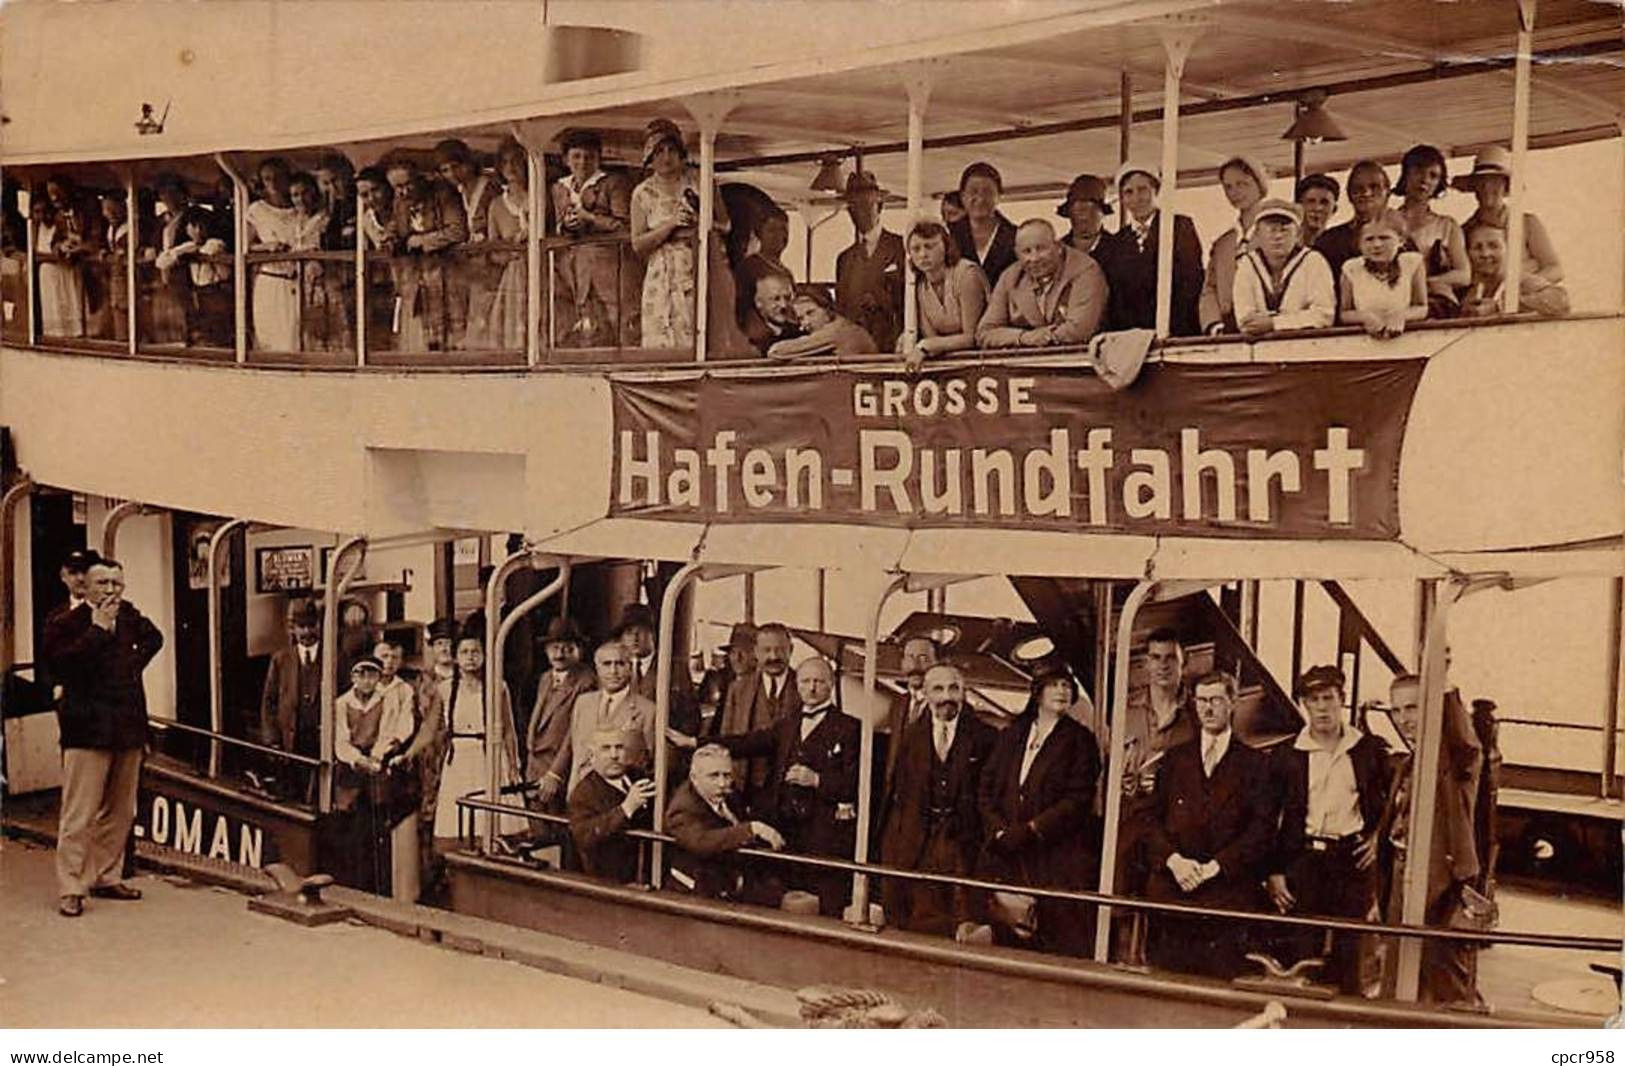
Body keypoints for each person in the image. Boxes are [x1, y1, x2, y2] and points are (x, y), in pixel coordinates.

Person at [44, 559, 163, 917]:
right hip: (87, 732)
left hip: (126, 728)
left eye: (116, 583)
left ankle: (106, 876)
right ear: (86, 587)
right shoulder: (65, 623)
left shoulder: (129, 615)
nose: (111, 590)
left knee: (121, 810)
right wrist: (98, 630)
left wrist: (132, 664)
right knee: (79, 814)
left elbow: (155, 638)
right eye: (103, 583)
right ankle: (71, 887)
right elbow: (60, 666)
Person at [1265, 665, 1391, 994]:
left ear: (1342, 700)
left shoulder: (1368, 750)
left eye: (1328, 698)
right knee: (1302, 949)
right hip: (1304, 860)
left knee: (1350, 951)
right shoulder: (1287, 755)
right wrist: (1274, 872)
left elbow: (1394, 804)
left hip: (1352, 860)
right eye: (1313, 700)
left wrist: (1378, 839)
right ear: (1304, 706)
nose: (1321, 707)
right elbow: (1268, 817)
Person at [1144, 671, 1276, 979]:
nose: (1207, 708)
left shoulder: (1256, 764)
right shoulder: (1175, 760)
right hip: (1173, 889)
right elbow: (1150, 821)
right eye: (1201, 700)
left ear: (1233, 703)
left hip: (1226, 892)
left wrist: (1214, 868)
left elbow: (1262, 831)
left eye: (1216, 700)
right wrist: (1174, 861)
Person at [706, 656, 859, 915]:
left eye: (819, 682)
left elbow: (858, 784)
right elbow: (748, 743)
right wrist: (697, 743)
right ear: (797, 685)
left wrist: (818, 780)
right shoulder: (787, 725)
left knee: (822, 902)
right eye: (806, 681)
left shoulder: (850, 728)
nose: (811, 688)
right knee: (783, 898)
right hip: (785, 828)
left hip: (823, 835)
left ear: (831, 685)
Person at [977, 666, 1101, 955]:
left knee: (1052, 936)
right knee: (1007, 931)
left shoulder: (1080, 740)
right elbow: (986, 786)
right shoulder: (1012, 734)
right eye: (1055, 685)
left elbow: (1078, 799)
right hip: (1009, 853)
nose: (1062, 691)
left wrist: (1033, 829)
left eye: (1067, 686)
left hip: (1055, 857)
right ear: (1038, 691)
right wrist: (999, 830)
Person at [1377, 671, 1483, 1006]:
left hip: (1441, 886)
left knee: (1447, 979)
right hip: (1401, 877)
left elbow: (1465, 743)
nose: (1404, 719)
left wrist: (1444, 681)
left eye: (1413, 708)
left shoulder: (1454, 763)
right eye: (1397, 711)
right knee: (1398, 973)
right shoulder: (1409, 763)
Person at [878, 662, 996, 936]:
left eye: (954, 688)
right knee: (922, 917)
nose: (947, 696)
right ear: (927, 694)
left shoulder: (986, 737)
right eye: (938, 689)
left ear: (964, 692)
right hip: (921, 841)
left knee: (964, 915)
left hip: (965, 842)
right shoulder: (911, 737)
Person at [332, 656, 420, 893]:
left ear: (378, 678)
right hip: (351, 775)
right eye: (361, 674)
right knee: (351, 831)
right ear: (353, 678)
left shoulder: (387, 702)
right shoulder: (341, 703)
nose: (366, 680)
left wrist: (377, 758)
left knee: (377, 831)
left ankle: (377, 889)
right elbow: (340, 741)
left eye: (371, 675)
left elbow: (389, 734)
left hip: (377, 771)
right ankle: (351, 887)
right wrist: (357, 759)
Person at [665, 743, 786, 901]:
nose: (722, 784)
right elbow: (701, 841)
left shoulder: (729, 795)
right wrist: (751, 829)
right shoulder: (683, 806)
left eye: (727, 775)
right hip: (693, 896)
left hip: (729, 885)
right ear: (694, 777)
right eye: (714, 776)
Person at [553, 128, 639, 349]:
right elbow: (556, 226)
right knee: (586, 321)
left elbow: (624, 226)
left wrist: (590, 218)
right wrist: (566, 226)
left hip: (611, 266)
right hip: (576, 268)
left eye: (589, 156)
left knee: (619, 317)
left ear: (598, 158)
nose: (583, 162)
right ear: (566, 159)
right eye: (576, 156)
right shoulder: (559, 189)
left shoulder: (613, 183)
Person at [632, 119, 710, 350]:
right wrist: (670, 225)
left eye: (671, 150)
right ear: (650, 156)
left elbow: (725, 224)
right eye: (659, 151)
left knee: (695, 330)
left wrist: (700, 222)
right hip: (661, 273)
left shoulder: (699, 182)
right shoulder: (642, 193)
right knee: (661, 334)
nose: (666, 157)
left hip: (696, 265)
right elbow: (637, 243)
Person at [542, 639, 656, 797]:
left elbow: (649, 764)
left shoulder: (647, 710)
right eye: (607, 664)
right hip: (578, 794)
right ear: (597, 668)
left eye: (620, 664)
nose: (613, 671)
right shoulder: (583, 703)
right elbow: (571, 745)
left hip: (618, 801)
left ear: (630, 668)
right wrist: (554, 774)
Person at [1102, 161, 1203, 335]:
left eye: (1142, 190)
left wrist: (1171, 330)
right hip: (1133, 338)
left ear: (1156, 191)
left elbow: (1190, 282)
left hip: (1176, 332)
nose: (1136, 198)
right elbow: (1117, 297)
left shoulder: (1178, 227)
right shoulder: (1117, 243)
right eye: (1128, 192)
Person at [975, 218, 1107, 349]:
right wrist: (1023, 337)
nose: (1034, 258)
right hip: (1025, 364)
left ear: (1058, 247)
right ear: (1016, 254)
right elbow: (985, 332)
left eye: (1041, 249)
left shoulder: (1085, 270)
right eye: (1026, 251)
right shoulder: (1010, 277)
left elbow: (1080, 330)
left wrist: (1041, 337)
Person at [1453, 145, 1562, 286]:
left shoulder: (1527, 223)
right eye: (1481, 181)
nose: (1487, 187)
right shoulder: (1464, 232)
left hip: (1526, 300)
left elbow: (1555, 269)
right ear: (1474, 187)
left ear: (1506, 186)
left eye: (1494, 181)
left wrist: (1523, 284)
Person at [717, 621, 800, 803]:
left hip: (790, 791)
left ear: (791, 650)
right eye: (767, 650)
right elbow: (726, 737)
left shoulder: (804, 687)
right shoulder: (738, 689)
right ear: (756, 652)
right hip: (746, 787)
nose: (773, 656)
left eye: (780, 650)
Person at [390, 167, 471, 353]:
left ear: (419, 179)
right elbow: (396, 228)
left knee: (454, 333)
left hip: (447, 275)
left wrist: (422, 241)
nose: (403, 192)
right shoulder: (400, 203)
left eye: (407, 184)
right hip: (417, 279)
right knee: (423, 334)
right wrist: (390, 238)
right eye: (397, 187)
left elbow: (458, 231)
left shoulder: (442, 195)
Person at [1231, 199, 1335, 336]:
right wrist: (1296, 319)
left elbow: (1324, 315)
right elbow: (1245, 320)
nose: (1278, 236)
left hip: (1306, 345)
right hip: (1258, 350)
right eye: (1271, 230)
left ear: (1297, 235)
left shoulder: (1314, 261)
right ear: (1257, 234)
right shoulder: (1247, 264)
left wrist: (1274, 324)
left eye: (1284, 230)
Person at [524, 616, 597, 811]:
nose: (560, 654)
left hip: (560, 769)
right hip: (535, 768)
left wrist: (555, 773)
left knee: (558, 829)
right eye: (555, 648)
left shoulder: (586, 682)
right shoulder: (545, 679)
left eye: (567, 648)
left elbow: (575, 734)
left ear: (578, 651)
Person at [897, 220, 989, 371]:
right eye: (916, 249)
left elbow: (972, 337)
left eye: (929, 246)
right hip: (950, 367)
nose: (923, 254)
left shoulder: (966, 274)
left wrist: (925, 346)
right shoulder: (920, 288)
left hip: (981, 364)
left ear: (946, 246)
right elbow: (931, 338)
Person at [569, 728, 658, 883]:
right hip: (610, 880)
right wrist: (626, 808)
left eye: (619, 747)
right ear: (591, 756)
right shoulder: (584, 793)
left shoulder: (639, 776)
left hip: (647, 873)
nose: (614, 755)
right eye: (606, 748)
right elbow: (584, 836)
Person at [257, 597, 324, 799]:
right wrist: (272, 740)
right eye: (300, 626)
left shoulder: (336, 658)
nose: (306, 632)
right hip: (290, 743)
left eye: (311, 625)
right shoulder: (280, 659)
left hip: (322, 743)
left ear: (319, 625)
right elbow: (269, 703)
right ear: (292, 629)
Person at [1394, 143, 1469, 318]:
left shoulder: (1447, 226)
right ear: (1406, 173)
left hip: (1436, 304)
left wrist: (1427, 282)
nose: (1425, 180)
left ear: (1439, 184)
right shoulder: (1386, 221)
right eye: (1419, 170)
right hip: (1395, 303)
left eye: (1433, 176)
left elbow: (1464, 275)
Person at [833, 170, 904, 354]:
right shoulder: (844, 259)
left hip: (891, 347)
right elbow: (841, 309)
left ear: (879, 205)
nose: (858, 212)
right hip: (855, 351)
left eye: (866, 205)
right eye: (853, 206)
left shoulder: (902, 247)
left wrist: (881, 300)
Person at [1200, 154, 1272, 335]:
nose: (1235, 192)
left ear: (1259, 184)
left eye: (1242, 184)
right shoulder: (1223, 244)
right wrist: (1213, 324)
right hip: (1228, 328)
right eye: (1228, 187)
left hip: (1266, 326)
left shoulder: (1277, 233)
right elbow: (1210, 289)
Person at [244, 157, 308, 352]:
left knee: (295, 337)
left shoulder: (299, 207)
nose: (273, 183)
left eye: (278, 177)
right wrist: (267, 246)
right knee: (270, 337)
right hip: (270, 281)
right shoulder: (257, 210)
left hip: (298, 281)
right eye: (267, 179)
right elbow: (245, 246)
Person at [479, 138, 533, 351]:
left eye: (516, 161)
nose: (511, 167)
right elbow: (493, 252)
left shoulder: (539, 196)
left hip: (541, 272)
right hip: (514, 276)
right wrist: (512, 252)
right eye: (506, 162)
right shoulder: (496, 205)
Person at [1338, 211, 1427, 339]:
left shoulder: (1412, 263)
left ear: (1401, 240)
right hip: (1364, 339)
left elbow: (1421, 307)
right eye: (1369, 239)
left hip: (1407, 338)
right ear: (1360, 244)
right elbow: (1344, 313)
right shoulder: (1352, 268)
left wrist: (1400, 316)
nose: (1376, 245)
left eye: (1384, 238)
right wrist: (1365, 317)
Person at [1314, 160, 1406, 281]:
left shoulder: (1402, 241)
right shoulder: (1328, 242)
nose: (1366, 193)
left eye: (1374, 187)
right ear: (1349, 194)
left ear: (1387, 192)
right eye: (1358, 188)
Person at [1457, 220, 1570, 319]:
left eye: (1493, 246)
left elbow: (1560, 300)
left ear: (1507, 249)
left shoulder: (1520, 281)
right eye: (1477, 247)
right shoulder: (1470, 291)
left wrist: (1500, 307)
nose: (1486, 253)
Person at [156, 208, 232, 348]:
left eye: (201, 226)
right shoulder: (188, 246)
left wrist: (193, 251)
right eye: (193, 226)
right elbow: (161, 263)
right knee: (199, 331)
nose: (197, 231)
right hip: (198, 294)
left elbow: (208, 252)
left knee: (218, 335)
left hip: (216, 293)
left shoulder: (215, 243)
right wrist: (180, 252)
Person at [882, 635, 940, 790]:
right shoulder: (898, 703)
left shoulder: (943, 705)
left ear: (937, 664)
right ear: (902, 664)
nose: (915, 665)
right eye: (910, 657)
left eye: (923, 658)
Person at [947, 162, 1018, 287]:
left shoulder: (1016, 237)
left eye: (987, 192)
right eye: (973, 191)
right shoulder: (947, 235)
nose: (980, 198)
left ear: (999, 196)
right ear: (963, 196)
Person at [765, 287, 877, 359]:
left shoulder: (836, 332)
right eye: (801, 318)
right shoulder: (847, 327)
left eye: (811, 313)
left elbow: (776, 351)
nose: (806, 323)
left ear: (827, 310)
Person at [734, 206, 791, 325]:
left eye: (783, 229)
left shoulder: (786, 271)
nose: (780, 235)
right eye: (772, 230)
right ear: (759, 234)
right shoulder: (749, 267)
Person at [743, 272, 804, 354]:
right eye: (776, 299)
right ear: (759, 302)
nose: (783, 305)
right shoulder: (748, 338)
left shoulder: (799, 333)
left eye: (787, 298)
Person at [1295, 173, 1341, 250]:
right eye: (1311, 201)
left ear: (1334, 209)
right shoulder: (1286, 246)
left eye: (1324, 202)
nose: (1317, 208)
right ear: (1299, 206)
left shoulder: (1337, 248)